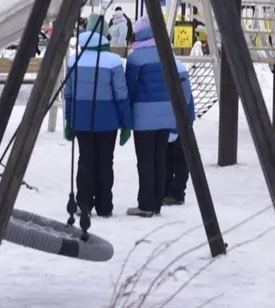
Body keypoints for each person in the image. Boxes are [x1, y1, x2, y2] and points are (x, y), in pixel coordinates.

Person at [123, 18, 195, 216]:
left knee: (145, 160)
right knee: (160, 158)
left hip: (143, 117)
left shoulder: (136, 58)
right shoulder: (167, 56)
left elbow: (129, 87)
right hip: (166, 115)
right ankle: (157, 201)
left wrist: (126, 116)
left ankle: (146, 203)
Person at [63, 28, 131, 221]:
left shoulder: (74, 60)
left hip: (82, 121)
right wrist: (126, 123)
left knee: (85, 160)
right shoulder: (113, 62)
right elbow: (121, 94)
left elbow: (68, 94)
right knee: (105, 162)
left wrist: (69, 120)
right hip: (108, 121)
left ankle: (83, 203)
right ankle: (104, 205)